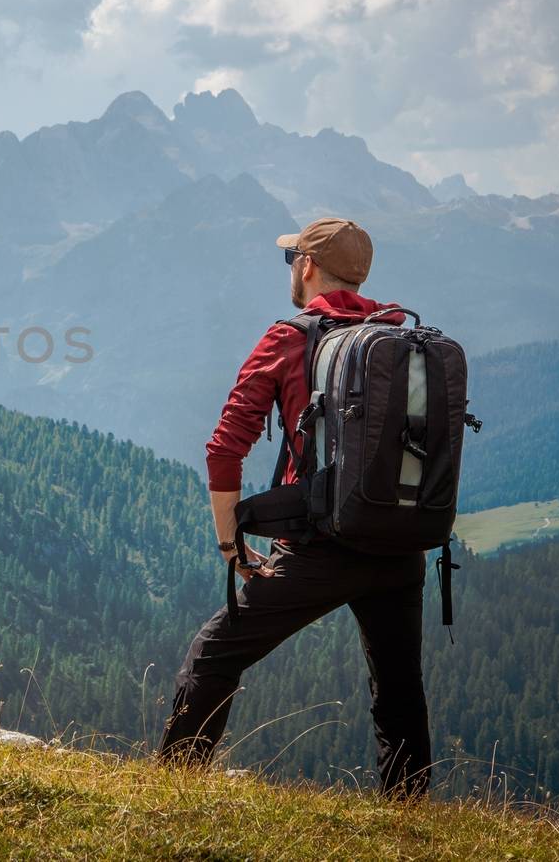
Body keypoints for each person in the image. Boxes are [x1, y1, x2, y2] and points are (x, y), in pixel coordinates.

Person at [158, 216, 432, 799]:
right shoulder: (399, 335)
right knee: (399, 690)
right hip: (400, 541)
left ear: (306, 266)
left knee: (213, 654)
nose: (291, 269)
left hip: (318, 546)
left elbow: (225, 445)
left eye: (292, 260)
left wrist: (231, 543)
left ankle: (171, 793)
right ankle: (411, 819)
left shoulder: (291, 337)